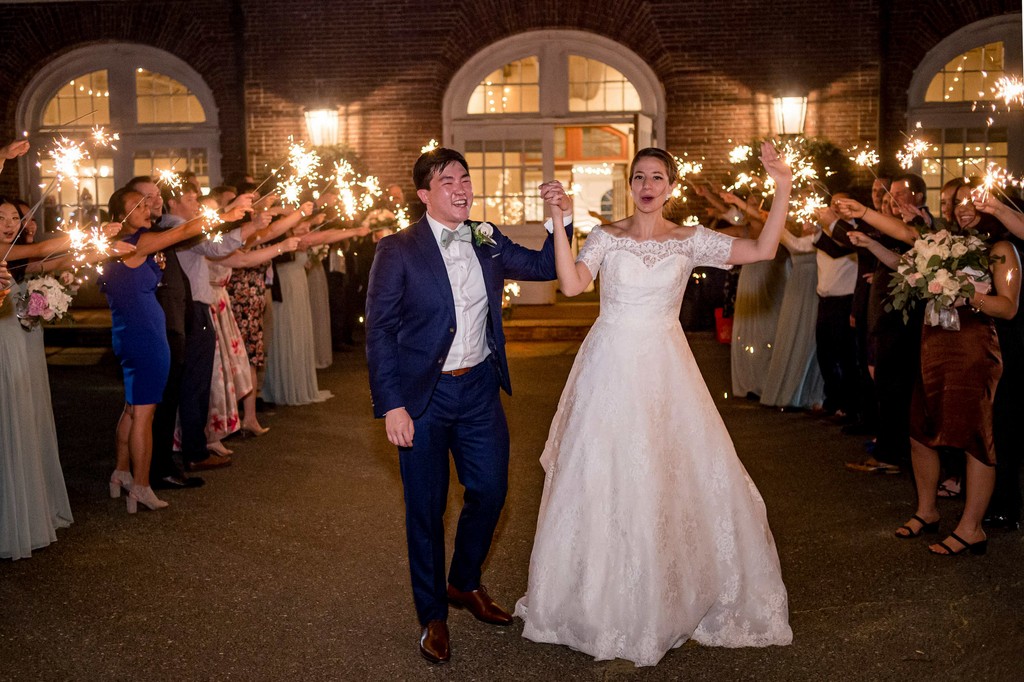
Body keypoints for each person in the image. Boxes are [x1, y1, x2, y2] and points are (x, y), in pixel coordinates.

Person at [515, 143, 794, 666]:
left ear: (671, 186)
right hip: (609, 366)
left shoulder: (689, 240)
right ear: (630, 184)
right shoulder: (605, 236)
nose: (648, 185)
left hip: (666, 368)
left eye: (657, 178)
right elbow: (574, 285)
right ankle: (593, 599)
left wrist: (782, 185)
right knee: (599, 473)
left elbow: (763, 251)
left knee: (668, 472)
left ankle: (665, 595)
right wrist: (560, 221)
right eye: (639, 176)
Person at [365, 147, 573, 665]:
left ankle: (464, 582)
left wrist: (560, 218)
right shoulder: (397, 249)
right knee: (426, 508)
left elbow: (547, 266)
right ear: (424, 194)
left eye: (465, 179)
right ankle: (433, 613)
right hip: (423, 399)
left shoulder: (488, 237)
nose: (461, 189)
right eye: (448, 182)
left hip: (479, 387)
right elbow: (381, 333)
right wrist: (392, 405)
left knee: (491, 489)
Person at [848, 182, 1021, 555]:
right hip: (934, 343)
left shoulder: (1000, 250)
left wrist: (967, 293)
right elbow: (908, 247)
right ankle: (927, 511)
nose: (963, 208)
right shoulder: (944, 242)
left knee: (976, 436)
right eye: (958, 203)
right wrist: (867, 228)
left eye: (972, 203)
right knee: (920, 429)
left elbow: (1007, 307)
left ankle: (971, 527)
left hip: (973, 348)